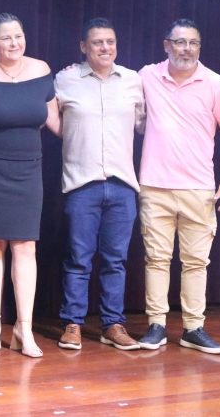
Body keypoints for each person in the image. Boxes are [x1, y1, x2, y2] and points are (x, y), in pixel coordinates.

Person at [137, 19, 220, 354]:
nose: (187, 49)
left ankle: (193, 328)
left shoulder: (216, 83)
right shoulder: (146, 76)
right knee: (157, 259)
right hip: (155, 185)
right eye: (180, 42)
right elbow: (112, 82)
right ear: (166, 45)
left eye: (193, 43)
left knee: (196, 262)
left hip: (199, 188)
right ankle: (156, 326)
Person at [0, 13, 60, 358]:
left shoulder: (42, 70)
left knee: (25, 246)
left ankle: (24, 327)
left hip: (28, 169)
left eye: (18, 36)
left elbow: (57, 123)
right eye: (6, 38)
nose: (14, 43)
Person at [53, 18, 145, 352]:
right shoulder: (65, 79)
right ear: (83, 47)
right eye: (97, 42)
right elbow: (48, 114)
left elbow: (145, 125)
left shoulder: (133, 80)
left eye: (110, 41)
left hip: (122, 185)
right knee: (78, 259)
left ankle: (112, 325)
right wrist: (70, 137)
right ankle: (73, 324)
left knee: (115, 261)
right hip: (82, 184)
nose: (105, 48)